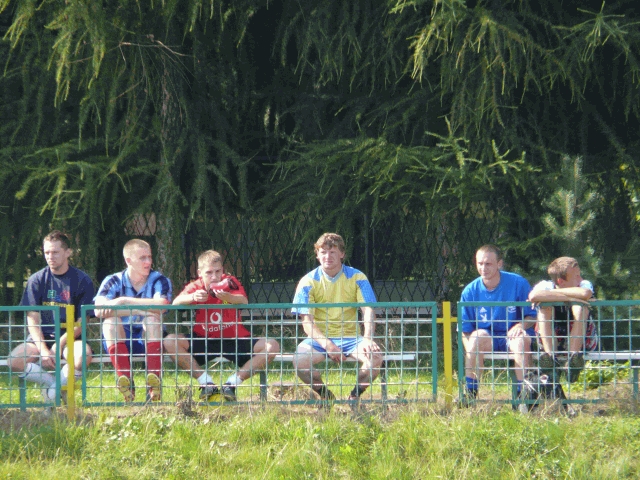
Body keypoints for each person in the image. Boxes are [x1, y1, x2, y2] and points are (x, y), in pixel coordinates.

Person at [164, 250, 279, 401]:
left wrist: (229, 297)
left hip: (235, 339)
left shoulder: (230, 282)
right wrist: (192, 297)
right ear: (200, 273)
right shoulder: (196, 286)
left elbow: (243, 300)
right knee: (169, 341)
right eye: (209, 272)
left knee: (272, 345)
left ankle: (231, 384)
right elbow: (176, 303)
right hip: (204, 340)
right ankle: (206, 383)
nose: (214, 276)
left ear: (222, 270)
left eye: (218, 271)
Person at [291, 233, 382, 406]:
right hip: (319, 340)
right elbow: (307, 322)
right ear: (317, 255)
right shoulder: (307, 281)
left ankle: (354, 397)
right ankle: (326, 396)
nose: (328, 256)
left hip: (352, 338)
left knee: (376, 358)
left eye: (332, 252)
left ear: (342, 254)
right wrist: (328, 345)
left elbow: (368, 309)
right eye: (323, 252)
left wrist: (368, 338)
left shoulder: (358, 277)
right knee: (299, 361)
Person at [7, 230, 95, 404]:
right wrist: (43, 349)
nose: (50, 257)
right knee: (14, 361)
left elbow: (82, 322)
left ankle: (53, 393)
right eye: (46, 252)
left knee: (82, 356)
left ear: (68, 252)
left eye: (55, 252)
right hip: (40, 338)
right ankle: (54, 386)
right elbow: (32, 319)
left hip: (70, 337)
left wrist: (59, 344)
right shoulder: (36, 279)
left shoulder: (82, 280)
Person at [94, 239, 172, 402]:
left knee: (152, 319)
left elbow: (162, 305)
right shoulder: (113, 280)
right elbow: (99, 310)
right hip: (120, 338)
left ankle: (154, 385)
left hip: (149, 338)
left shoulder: (159, 280)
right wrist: (138, 310)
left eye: (149, 257)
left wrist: (124, 301)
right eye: (142, 258)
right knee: (110, 322)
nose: (148, 262)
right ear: (128, 260)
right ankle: (126, 382)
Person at [459, 244, 536, 404]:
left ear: (499, 264)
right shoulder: (470, 291)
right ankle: (469, 395)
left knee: (520, 340)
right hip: (488, 337)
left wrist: (520, 325)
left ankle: (524, 397)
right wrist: (471, 352)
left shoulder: (518, 283)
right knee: (476, 337)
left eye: (488, 264)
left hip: (514, 335)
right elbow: (465, 331)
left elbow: (533, 315)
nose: (483, 268)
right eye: (480, 263)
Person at [528, 256, 596, 382]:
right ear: (560, 281)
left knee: (580, 307)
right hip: (554, 335)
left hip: (582, 339)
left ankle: (573, 360)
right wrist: (571, 297)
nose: (580, 279)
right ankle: (550, 360)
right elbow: (533, 296)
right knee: (544, 308)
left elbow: (585, 293)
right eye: (576, 276)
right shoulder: (545, 285)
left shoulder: (584, 284)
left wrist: (550, 295)